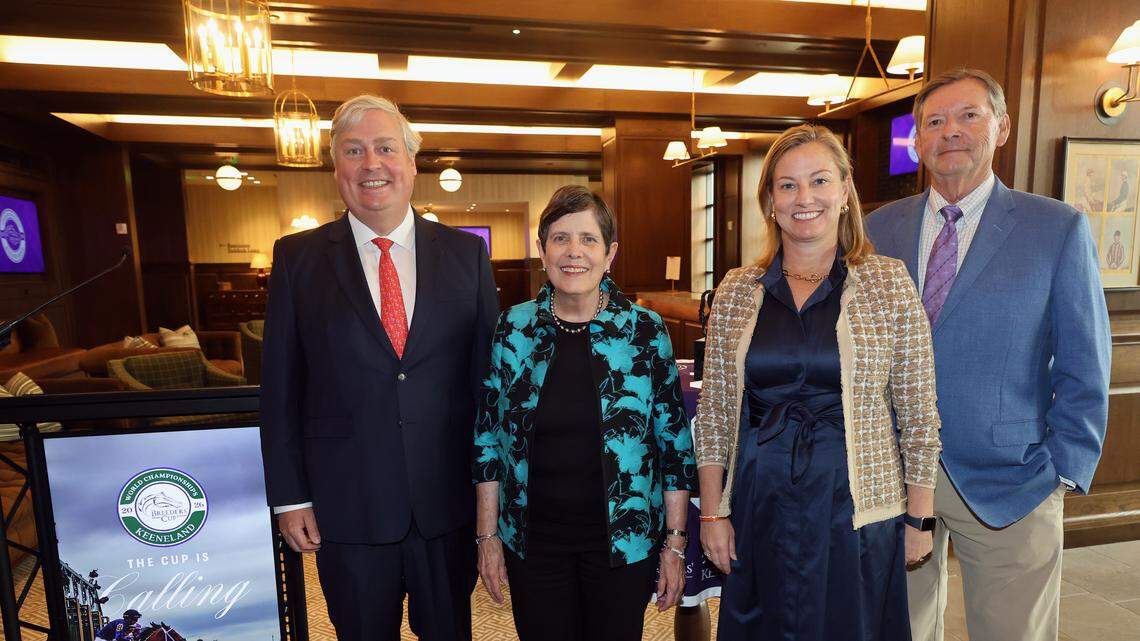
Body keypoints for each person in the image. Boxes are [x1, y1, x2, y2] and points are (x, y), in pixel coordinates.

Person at [866, 68, 1111, 641]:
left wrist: (1062, 469)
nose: (950, 131)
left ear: (1001, 128)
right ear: (917, 141)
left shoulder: (1056, 228)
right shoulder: (878, 229)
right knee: (896, 629)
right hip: (892, 476)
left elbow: (1085, 361)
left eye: (968, 116)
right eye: (934, 121)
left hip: (1014, 479)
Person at [260, 94, 499, 641]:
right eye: (354, 150)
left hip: (447, 505)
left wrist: (493, 497)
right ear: (336, 168)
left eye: (386, 148)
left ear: (412, 162)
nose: (371, 163)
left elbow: (487, 386)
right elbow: (280, 389)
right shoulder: (297, 259)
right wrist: (291, 497)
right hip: (348, 507)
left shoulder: (466, 255)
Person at [693, 124, 942, 641]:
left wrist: (919, 519)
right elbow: (714, 415)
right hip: (759, 503)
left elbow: (919, 414)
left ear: (845, 190)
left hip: (855, 509)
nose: (804, 198)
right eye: (787, 185)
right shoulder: (736, 290)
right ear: (770, 201)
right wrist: (713, 514)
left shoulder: (888, 283)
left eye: (820, 181)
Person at [472, 185, 695, 641]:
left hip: (625, 541)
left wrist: (674, 544)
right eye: (561, 238)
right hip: (533, 543)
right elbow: (488, 440)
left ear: (610, 254)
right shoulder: (513, 329)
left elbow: (674, 445)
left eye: (588, 239)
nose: (574, 252)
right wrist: (487, 537)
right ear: (542, 251)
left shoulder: (644, 332)